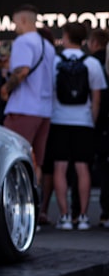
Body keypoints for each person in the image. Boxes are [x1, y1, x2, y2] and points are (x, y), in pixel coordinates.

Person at [46, 23, 106, 230]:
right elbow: (97, 98)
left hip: (59, 120)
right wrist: (92, 120)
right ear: (84, 39)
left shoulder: (54, 62)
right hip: (84, 122)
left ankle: (63, 216)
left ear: (65, 36)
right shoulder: (92, 63)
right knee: (83, 168)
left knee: (60, 168)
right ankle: (82, 217)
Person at [0, 4, 56, 206]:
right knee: (36, 162)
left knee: (13, 158)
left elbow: (22, 71)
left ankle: (17, 206)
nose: (14, 26)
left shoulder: (23, 41)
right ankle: (32, 205)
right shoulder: (48, 45)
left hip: (23, 109)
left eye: (15, 22)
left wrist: (6, 88)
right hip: (44, 111)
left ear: (23, 20)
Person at [87, 28, 109, 227]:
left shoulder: (91, 63)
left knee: (104, 167)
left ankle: (106, 212)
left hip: (100, 120)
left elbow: (95, 98)